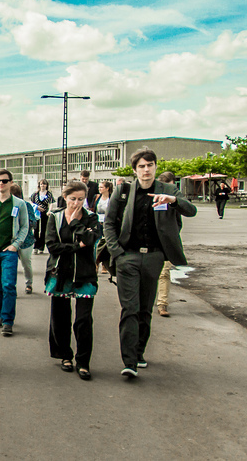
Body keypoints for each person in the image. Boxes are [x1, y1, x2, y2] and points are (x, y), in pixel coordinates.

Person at [104, 149, 196, 379]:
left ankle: (139, 352)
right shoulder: (124, 191)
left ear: (155, 167)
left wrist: (173, 201)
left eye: (150, 165)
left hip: (154, 257)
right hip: (128, 257)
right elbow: (109, 223)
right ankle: (129, 361)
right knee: (130, 308)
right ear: (135, 170)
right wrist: (117, 252)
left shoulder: (168, 190)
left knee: (145, 309)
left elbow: (191, 210)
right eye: (142, 166)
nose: (146, 170)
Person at [45, 180, 101, 380]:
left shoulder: (91, 218)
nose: (76, 203)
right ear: (65, 197)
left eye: (80, 199)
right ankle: (65, 355)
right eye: (72, 199)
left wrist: (76, 222)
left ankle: (83, 361)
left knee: (83, 320)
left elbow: (91, 240)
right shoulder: (55, 217)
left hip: (84, 274)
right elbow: (52, 246)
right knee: (60, 317)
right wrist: (77, 247)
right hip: (61, 273)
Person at [0, 169, 29, 336]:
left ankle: (8, 321)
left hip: (8, 251)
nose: (0, 184)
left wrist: (16, 245)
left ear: (11, 183)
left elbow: (25, 226)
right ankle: (0, 314)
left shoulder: (19, 204)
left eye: (4, 181)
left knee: (8, 285)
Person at [154, 171, 182, 317]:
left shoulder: (174, 200)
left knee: (164, 273)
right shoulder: (154, 197)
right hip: (152, 242)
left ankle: (162, 304)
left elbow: (178, 221)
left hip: (166, 243)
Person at [12, 181, 37, 294]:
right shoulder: (8, 206)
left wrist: (22, 225)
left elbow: (33, 222)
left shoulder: (26, 205)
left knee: (26, 263)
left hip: (26, 241)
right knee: (10, 266)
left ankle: (29, 283)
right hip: (11, 241)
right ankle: (11, 287)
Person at [30, 179, 54, 254]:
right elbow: (31, 202)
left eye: (44, 184)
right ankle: (35, 247)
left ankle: (41, 247)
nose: (42, 186)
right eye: (41, 184)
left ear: (46, 185)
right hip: (37, 213)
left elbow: (51, 203)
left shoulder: (49, 194)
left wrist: (49, 211)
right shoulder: (35, 194)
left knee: (43, 230)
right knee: (36, 230)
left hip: (45, 213)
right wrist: (36, 207)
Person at [95, 181, 113, 274]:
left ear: (107, 188)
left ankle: (104, 265)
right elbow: (94, 209)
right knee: (97, 243)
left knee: (106, 244)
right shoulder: (97, 197)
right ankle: (96, 263)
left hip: (108, 223)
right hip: (98, 223)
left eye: (101, 187)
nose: (99, 189)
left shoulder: (112, 198)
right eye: (99, 187)